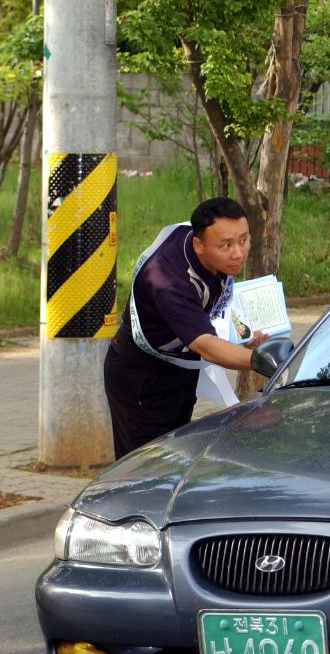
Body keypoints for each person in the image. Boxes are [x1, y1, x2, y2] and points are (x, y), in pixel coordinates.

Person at [104, 197, 269, 459]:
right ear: (198, 244)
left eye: (244, 240)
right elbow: (206, 345)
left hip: (180, 369)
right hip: (143, 379)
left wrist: (240, 338)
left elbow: (210, 314)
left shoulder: (199, 243)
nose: (238, 252)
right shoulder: (167, 282)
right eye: (226, 245)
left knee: (175, 458)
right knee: (143, 468)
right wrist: (264, 362)